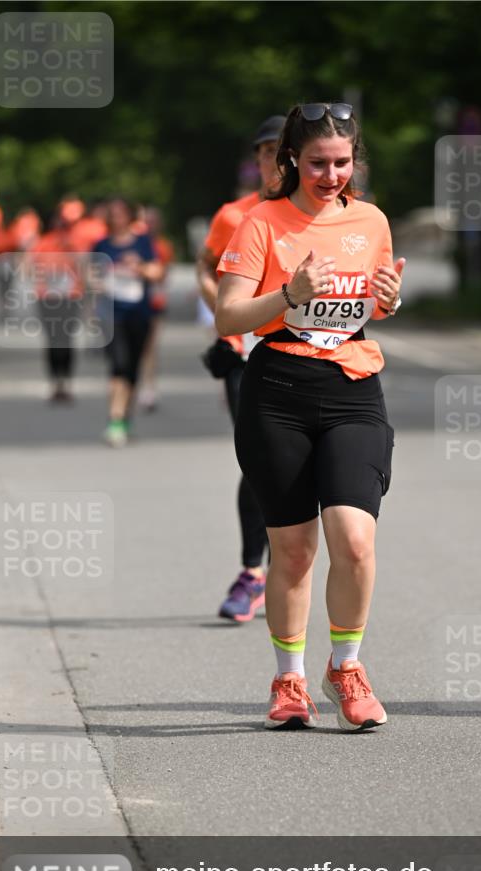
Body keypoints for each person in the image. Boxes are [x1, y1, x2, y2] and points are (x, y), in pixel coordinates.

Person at [216, 102, 405, 731]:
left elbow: (370, 304)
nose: (331, 175)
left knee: (354, 539)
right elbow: (228, 316)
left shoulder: (371, 220)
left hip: (353, 387)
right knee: (293, 552)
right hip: (277, 391)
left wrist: (388, 299)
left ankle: (345, 667)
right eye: (319, 163)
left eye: (342, 163)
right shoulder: (261, 222)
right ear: (292, 160)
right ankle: (289, 679)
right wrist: (288, 294)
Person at [196, 115, 285, 622]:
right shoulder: (233, 216)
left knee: (293, 465)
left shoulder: (320, 214)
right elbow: (205, 265)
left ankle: (283, 568)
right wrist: (226, 312)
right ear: (256, 160)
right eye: (267, 151)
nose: (275, 160)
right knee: (257, 459)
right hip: (243, 353)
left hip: (301, 355)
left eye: (283, 150)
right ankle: (253, 572)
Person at [92, 197, 164, 446]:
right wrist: (98, 283)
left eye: (121, 213)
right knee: (118, 365)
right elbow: (90, 277)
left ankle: (124, 417)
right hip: (111, 315)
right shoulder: (101, 245)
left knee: (132, 368)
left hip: (139, 314)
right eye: (112, 214)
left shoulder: (143, 242)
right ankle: (115, 419)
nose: (117, 218)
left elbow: (157, 272)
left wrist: (139, 267)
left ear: (129, 216)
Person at [27, 197, 86, 403]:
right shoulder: (42, 243)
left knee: (67, 339)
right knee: (52, 339)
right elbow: (28, 268)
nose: (61, 227)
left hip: (71, 297)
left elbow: (86, 268)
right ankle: (55, 383)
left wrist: (71, 251)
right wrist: (46, 274)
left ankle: (66, 382)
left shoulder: (76, 242)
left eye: (65, 224)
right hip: (48, 298)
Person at [137, 206, 175, 412]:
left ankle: (148, 387)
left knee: (149, 347)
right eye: (146, 222)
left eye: (152, 222)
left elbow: (164, 275)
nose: (149, 226)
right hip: (131, 302)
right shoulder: (134, 243)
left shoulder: (163, 246)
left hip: (153, 301)